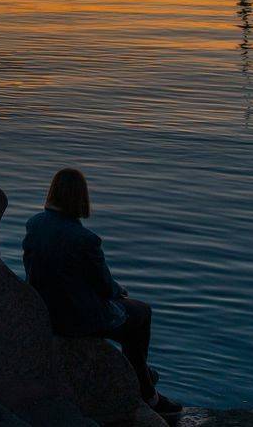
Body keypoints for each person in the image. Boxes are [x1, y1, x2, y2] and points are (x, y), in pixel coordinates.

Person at [22, 168, 182, 418]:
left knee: (131, 316)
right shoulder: (85, 239)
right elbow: (105, 287)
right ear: (81, 197)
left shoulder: (34, 225)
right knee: (141, 313)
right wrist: (120, 290)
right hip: (77, 320)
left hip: (46, 311)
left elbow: (32, 270)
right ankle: (147, 391)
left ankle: (140, 374)